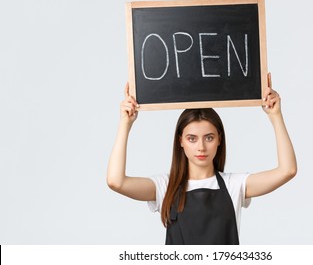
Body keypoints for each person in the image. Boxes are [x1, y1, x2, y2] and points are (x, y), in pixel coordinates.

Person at [107, 73, 297, 244]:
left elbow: (287, 170)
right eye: (192, 139)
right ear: (180, 141)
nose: (201, 147)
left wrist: (276, 116)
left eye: (209, 137)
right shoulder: (165, 186)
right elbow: (116, 181)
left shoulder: (234, 185)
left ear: (219, 140)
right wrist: (125, 123)